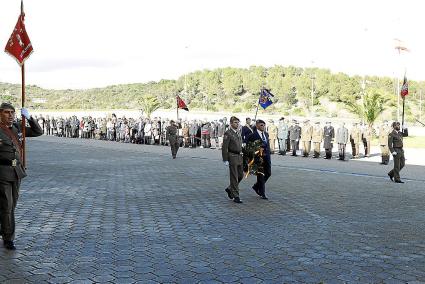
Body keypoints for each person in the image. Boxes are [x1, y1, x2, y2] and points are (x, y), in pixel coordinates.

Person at [0, 103, 42, 250]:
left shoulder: (18, 127)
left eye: (12, 112)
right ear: (0, 114)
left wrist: (29, 118)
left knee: (12, 205)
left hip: (17, 171)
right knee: (7, 206)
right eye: (6, 112)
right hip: (2, 172)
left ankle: (4, 226)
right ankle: (8, 238)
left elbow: (38, 132)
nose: (10, 115)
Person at [247, 119, 271, 200]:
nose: (263, 127)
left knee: (268, 173)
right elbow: (249, 147)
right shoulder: (252, 135)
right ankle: (262, 193)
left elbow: (268, 145)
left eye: (264, 125)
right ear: (257, 125)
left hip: (267, 157)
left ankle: (256, 186)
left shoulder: (266, 134)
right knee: (261, 175)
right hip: (258, 158)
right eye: (261, 125)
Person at [222, 116, 244, 203]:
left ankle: (230, 188)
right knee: (234, 177)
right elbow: (224, 147)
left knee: (240, 175)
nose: (237, 124)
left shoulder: (238, 132)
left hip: (239, 156)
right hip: (232, 156)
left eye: (238, 122)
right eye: (235, 122)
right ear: (231, 123)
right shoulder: (228, 133)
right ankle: (236, 196)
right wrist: (225, 159)